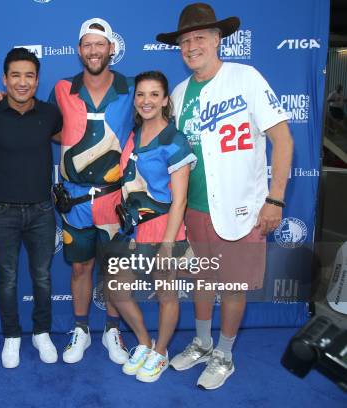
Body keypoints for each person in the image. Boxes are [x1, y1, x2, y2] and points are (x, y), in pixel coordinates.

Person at [156, 2, 293, 389]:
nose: (191, 45)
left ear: (218, 39)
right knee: (202, 280)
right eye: (184, 40)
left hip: (241, 207)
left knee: (232, 285)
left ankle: (225, 354)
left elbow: (282, 138)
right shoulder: (179, 94)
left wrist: (276, 198)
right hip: (194, 209)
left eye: (199, 37)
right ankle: (201, 342)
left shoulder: (245, 77)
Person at [48, 17, 133, 365]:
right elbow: (45, 124)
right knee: (81, 268)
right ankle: (81, 329)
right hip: (76, 199)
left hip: (115, 199)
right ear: (79, 50)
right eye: (88, 44)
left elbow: (152, 128)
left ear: (111, 48)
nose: (94, 50)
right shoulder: (62, 88)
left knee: (114, 268)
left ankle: (113, 330)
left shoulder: (132, 87)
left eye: (100, 44)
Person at [0, 48, 62, 368]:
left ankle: (42, 332)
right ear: (4, 78)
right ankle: (11, 335)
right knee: (8, 278)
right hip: (3, 212)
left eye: (29, 75)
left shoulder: (50, 113)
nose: (22, 82)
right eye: (15, 75)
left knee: (42, 276)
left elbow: (65, 139)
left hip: (42, 210)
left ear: (37, 80)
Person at [110, 71, 195, 383]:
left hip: (163, 228)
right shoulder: (133, 135)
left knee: (166, 294)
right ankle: (144, 343)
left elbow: (180, 200)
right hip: (133, 229)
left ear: (164, 100)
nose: (146, 100)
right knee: (116, 288)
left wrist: (169, 244)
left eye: (154, 94)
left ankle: (160, 351)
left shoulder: (175, 141)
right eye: (141, 94)